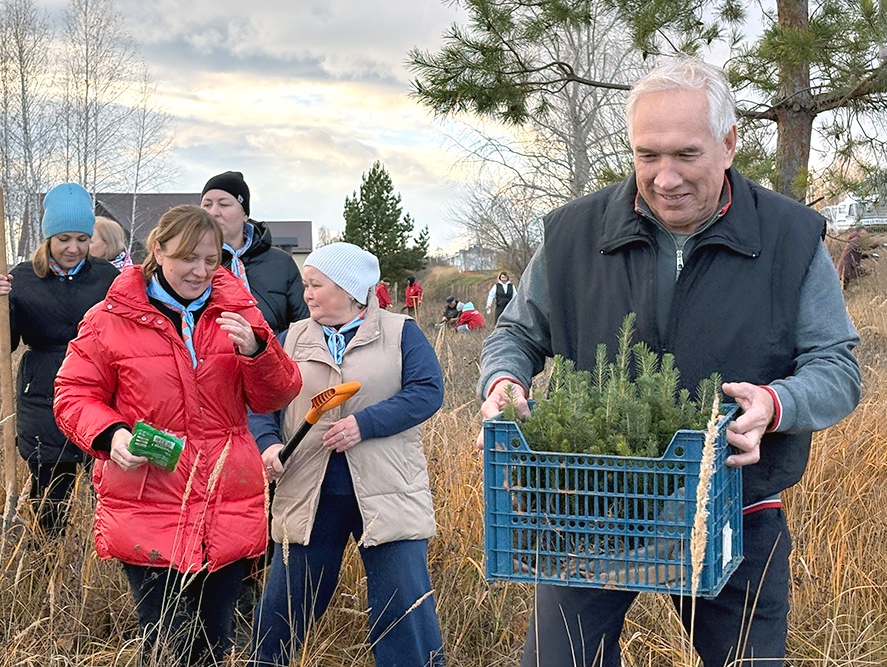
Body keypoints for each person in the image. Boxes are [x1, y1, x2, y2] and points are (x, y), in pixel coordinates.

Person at [477, 56, 861, 667]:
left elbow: (837, 367)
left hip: (735, 507)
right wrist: (503, 382)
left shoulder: (790, 239)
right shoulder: (574, 235)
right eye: (647, 155)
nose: (664, 177)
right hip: (589, 504)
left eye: (686, 154)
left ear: (729, 143)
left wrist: (776, 403)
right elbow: (517, 334)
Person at [54, 205, 301, 665]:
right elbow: (72, 394)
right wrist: (110, 435)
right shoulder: (110, 318)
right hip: (147, 499)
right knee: (168, 641)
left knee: (214, 642)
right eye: (189, 257)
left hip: (226, 498)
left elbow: (277, 394)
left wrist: (258, 350)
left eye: (212, 260)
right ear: (159, 250)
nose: (201, 271)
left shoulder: (239, 311)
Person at [249, 242, 446, 667]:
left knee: (403, 608)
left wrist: (366, 424)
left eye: (316, 285)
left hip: (388, 491)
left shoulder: (400, 333)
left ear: (350, 289)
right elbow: (262, 402)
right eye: (306, 285)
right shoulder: (291, 338)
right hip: (308, 493)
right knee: (283, 608)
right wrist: (268, 444)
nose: (307, 294)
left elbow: (427, 392)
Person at [0, 182, 119, 537]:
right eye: (63, 239)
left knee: (109, 491)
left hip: (102, 392)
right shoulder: (21, 279)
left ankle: (100, 567)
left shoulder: (108, 278)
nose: (73, 248)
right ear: (47, 239)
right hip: (44, 393)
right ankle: (45, 567)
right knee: (49, 498)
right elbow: (0, 348)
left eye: (82, 239)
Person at [200, 171, 308, 335]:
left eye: (224, 204)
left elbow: (303, 326)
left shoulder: (281, 263)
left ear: (245, 214)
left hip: (274, 356)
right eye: (207, 205)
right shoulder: (194, 264)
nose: (213, 212)